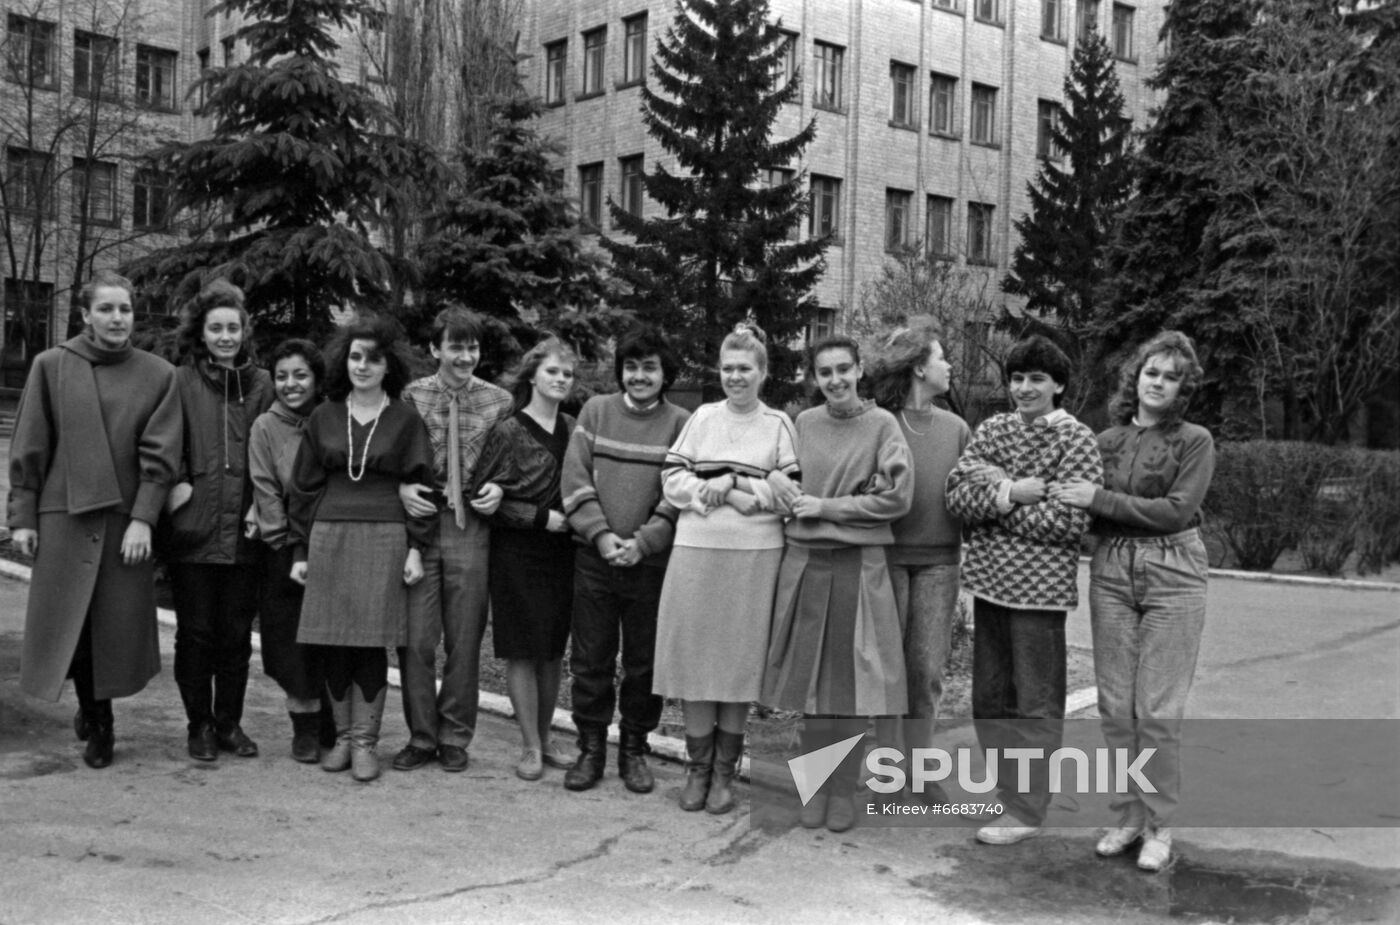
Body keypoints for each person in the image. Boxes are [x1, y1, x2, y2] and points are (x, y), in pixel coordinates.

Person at [1049, 331, 1214, 872]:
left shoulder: (1195, 441)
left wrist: (1099, 499)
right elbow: (1087, 513)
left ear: (1183, 387)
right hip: (1113, 571)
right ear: (1135, 378)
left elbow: (1174, 510)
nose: (1158, 383)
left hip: (1173, 571)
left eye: (1170, 376)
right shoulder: (1106, 439)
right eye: (1151, 372)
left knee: (1158, 713)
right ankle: (1127, 816)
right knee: (1118, 710)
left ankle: (1160, 826)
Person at [7, 270, 182, 769]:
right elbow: (31, 445)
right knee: (73, 628)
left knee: (113, 629)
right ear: (85, 315)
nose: (117, 318)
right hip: (63, 517)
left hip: (123, 521)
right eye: (105, 309)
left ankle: (96, 708)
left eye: (124, 309)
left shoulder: (158, 375)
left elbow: (162, 457)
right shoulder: (51, 366)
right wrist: (23, 516)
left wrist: (144, 518)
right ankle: (98, 721)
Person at [945, 334, 1102, 845]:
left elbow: (1068, 522)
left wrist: (996, 506)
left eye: (1037, 379)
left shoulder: (1076, 439)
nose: (1025, 388)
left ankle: (1027, 808)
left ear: (1058, 384)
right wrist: (1014, 491)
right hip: (989, 588)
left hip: (1041, 597)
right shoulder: (993, 429)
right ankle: (1009, 794)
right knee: (989, 701)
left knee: (1035, 704)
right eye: (1017, 378)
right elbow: (957, 496)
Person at [763, 336, 914, 832]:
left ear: (860, 368)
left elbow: (895, 499)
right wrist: (783, 486)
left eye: (843, 369)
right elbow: (781, 480)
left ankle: (843, 792)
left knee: (846, 690)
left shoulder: (883, 425)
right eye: (824, 372)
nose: (835, 380)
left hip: (857, 566)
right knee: (810, 686)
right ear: (814, 377)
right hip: (807, 562)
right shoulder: (803, 424)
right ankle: (816, 787)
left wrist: (828, 507)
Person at [654, 322, 799, 815]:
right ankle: (697, 769)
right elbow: (672, 479)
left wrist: (735, 484)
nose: (735, 377)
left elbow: (788, 496)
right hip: (697, 549)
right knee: (697, 661)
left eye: (745, 369)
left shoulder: (778, 424)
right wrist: (706, 489)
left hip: (755, 557)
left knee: (737, 665)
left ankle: (724, 773)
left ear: (763, 372)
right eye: (728, 368)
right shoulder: (703, 418)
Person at [289, 317, 435, 783]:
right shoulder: (324, 415)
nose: (363, 366)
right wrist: (300, 551)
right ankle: (345, 739)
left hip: (385, 536)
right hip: (329, 536)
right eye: (355, 356)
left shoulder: (406, 418)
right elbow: (304, 488)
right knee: (333, 638)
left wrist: (416, 549)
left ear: (388, 364)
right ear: (343, 360)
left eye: (373, 357)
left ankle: (368, 742)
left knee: (370, 641)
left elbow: (421, 488)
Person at [560, 326, 690, 794]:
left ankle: (634, 748)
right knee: (591, 659)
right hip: (594, 559)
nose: (639, 376)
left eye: (649, 367)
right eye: (631, 367)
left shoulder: (681, 422)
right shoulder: (595, 412)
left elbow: (678, 495)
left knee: (643, 663)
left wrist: (645, 540)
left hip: (650, 563)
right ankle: (590, 748)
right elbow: (574, 480)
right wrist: (600, 535)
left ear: (664, 373)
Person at [393, 306, 509, 773]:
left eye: (472, 347)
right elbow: (392, 454)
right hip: (422, 526)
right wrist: (400, 488)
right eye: (456, 346)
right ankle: (421, 736)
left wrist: (501, 488)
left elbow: (511, 463)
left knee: (464, 639)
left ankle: (455, 734)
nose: (465, 356)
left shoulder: (499, 402)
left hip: (471, 529)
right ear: (434, 349)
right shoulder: (411, 397)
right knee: (417, 639)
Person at [165, 279, 274, 761]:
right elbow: (163, 442)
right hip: (195, 529)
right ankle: (199, 725)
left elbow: (275, 449)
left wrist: (261, 503)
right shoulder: (181, 380)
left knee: (234, 637)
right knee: (196, 633)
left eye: (234, 327)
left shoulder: (263, 384)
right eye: (216, 328)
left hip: (247, 534)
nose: (226, 336)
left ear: (245, 331)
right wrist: (178, 485)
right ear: (202, 333)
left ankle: (229, 723)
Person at [866, 325, 970, 804]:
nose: (949, 366)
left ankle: (921, 768)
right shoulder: (878, 422)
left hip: (939, 564)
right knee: (888, 671)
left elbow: (970, 492)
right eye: (942, 357)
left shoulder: (955, 427)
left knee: (926, 668)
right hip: (886, 558)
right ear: (919, 368)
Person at [470, 337, 579, 782]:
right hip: (518, 551)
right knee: (522, 650)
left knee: (553, 650)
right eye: (552, 371)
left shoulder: (575, 428)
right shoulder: (508, 429)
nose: (560, 379)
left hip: (564, 552)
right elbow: (482, 495)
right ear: (532, 375)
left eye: (567, 374)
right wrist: (539, 517)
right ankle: (530, 747)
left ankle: (548, 737)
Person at [245, 339, 331, 763]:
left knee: (330, 638)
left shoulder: (333, 418)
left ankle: (333, 721)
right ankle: (304, 727)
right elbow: (264, 486)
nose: (291, 384)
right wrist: (283, 542)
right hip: (282, 550)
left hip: (333, 544)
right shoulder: (265, 426)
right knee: (290, 642)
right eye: (281, 376)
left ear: (316, 378)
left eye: (300, 375)